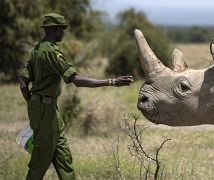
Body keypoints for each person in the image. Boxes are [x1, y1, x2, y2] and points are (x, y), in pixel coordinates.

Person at [19, 13, 133, 180]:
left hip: (48, 110)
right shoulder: (51, 52)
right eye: (62, 29)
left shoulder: (35, 50)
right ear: (55, 29)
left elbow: (23, 84)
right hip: (46, 111)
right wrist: (112, 81)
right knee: (40, 161)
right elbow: (77, 80)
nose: (63, 33)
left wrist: (33, 103)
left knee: (63, 158)